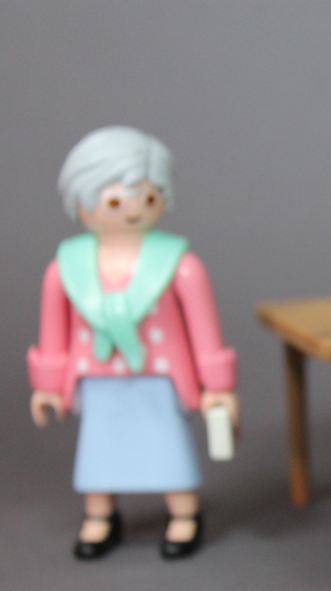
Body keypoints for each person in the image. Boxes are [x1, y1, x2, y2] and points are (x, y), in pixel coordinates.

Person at [28, 126, 238, 560]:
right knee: (99, 450)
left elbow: (205, 332)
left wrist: (218, 386)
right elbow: (54, 332)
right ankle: (99, 516)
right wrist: (47, 384)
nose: (132, 210)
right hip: (96, 378)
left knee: (168, 447)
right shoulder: (66, 268)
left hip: (160, 377)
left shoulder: (181, 265)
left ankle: (184, 514)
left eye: (147, 197)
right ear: (82, 200)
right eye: (115, 201)